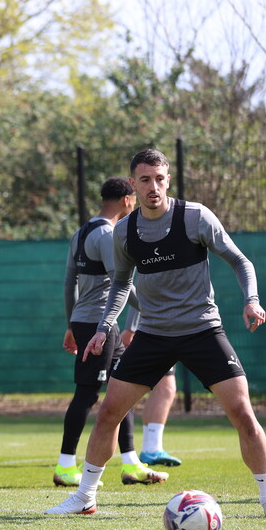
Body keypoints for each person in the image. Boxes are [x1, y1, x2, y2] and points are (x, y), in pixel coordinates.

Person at [46, 149, 266, 519]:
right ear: (133, 185)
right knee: (109, 411)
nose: (153, 186)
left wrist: (251, 300)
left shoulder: (195, 217)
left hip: (201, 330)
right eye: (145, 180)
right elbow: (120, 284)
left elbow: (241, 261)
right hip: (153, 334)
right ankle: (85, 496)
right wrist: (104, 326)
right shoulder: (124, 231)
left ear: (168, 180)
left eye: (159, 178)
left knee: (242, 412)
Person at [54, 177, 168, 488]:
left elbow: (69, 284)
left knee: (124, 390)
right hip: (98, 325)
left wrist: (70, 324)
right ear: (128, 200)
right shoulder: (106, 234)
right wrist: (152, 306)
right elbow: (121, 283)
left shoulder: (80, 233)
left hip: (92, 323)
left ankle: (131, 464)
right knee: (88, 393)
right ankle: (65, 466)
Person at [122, 317, 181, 466]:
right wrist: (131, 327)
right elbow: (134, 293)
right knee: (166, 388)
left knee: (163, 387)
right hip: (158, 330)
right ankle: (151, 450)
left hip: (162, 329)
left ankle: (151, 449)